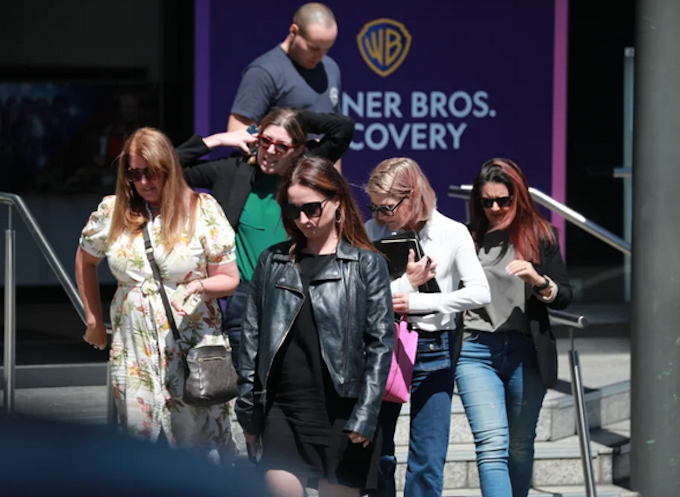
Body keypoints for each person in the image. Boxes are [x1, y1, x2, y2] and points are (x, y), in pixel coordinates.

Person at [75, 127, 240, 463]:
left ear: (169, 168)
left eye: (151, 172)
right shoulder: (113, 210)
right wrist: (92, 319)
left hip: (190, 344)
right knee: (140, 443)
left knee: (197, 445)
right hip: (134, 348)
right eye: (134, 173)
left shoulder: (202, 209)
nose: (144, 182)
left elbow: (229, 279)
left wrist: (199, 286)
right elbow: (85, 259)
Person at [236, 156, 394, 497]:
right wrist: (249, 413)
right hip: (284, 411)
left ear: (336, 201)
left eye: (311, 208)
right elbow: (251, 340)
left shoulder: (366, 265)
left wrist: (366, 413)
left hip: (343, 413)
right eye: (293, 210)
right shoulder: (272, 261)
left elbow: (381, 344)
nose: (302, 219)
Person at [175, 108, 354, 371]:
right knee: (246, 380)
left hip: (299, 289)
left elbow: (343, 128)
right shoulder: (232, 171)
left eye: (281, 146)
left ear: (297, 149)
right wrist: (217, 140)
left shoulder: (305, 172)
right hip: (246, 295)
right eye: (265, 141)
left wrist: (291, 118)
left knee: (295, 375)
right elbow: (168, 167)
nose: (270, 151)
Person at [364, 157, 491, 497]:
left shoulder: (452, 232)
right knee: (377, 452)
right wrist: (404, 285)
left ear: (413, 196)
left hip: (434, 344)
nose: (380, 215)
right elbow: (355, 293)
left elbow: (480, 292)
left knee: (428, 458)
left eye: (387, 207)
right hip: (382, 344)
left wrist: (425, 301)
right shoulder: (372, 230)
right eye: (374, 206)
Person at [455, 159, 572, 497]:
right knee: (492, 445)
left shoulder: (541, 236)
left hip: (526, 353)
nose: (495, 208)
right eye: (486, 201)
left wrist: (539, 281)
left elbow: (564, 295)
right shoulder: (468, 238)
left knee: (520, 446)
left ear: (518, 197)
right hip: (476, 351)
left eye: (503, 200)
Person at [227, 3, 342, 170]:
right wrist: (275, 149)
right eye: (313, 47)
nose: (319, 55)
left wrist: (335, 183)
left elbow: (334, 137)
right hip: (275, 180)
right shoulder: (265, 72)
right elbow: (239, 129)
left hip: (319, 181)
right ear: (294, 31)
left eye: (326, 49)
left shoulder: (331, 69)